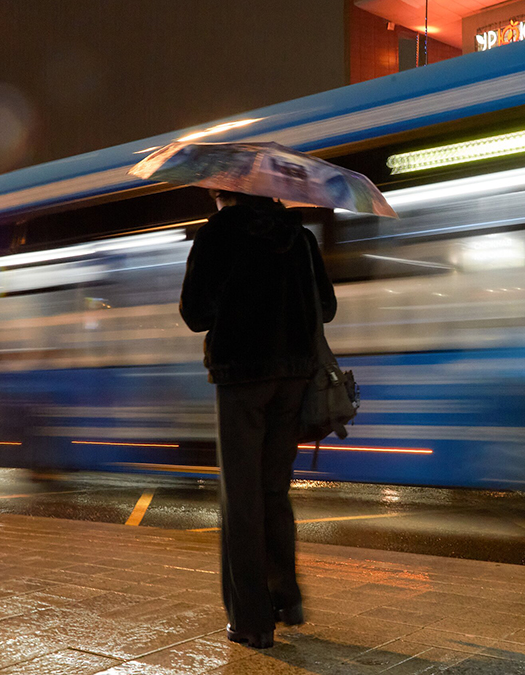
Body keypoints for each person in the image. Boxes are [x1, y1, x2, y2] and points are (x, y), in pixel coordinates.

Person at [179, 189, 336, 649]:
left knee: (241, 499)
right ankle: (286, 597)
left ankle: (250, 621)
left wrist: (237, 303)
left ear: (226, 191)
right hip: (293, 380)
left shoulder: (219, 234)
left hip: (241, 379)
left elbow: (195, 314)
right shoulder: (301, 237)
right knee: (273, 491)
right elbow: (325, 309)